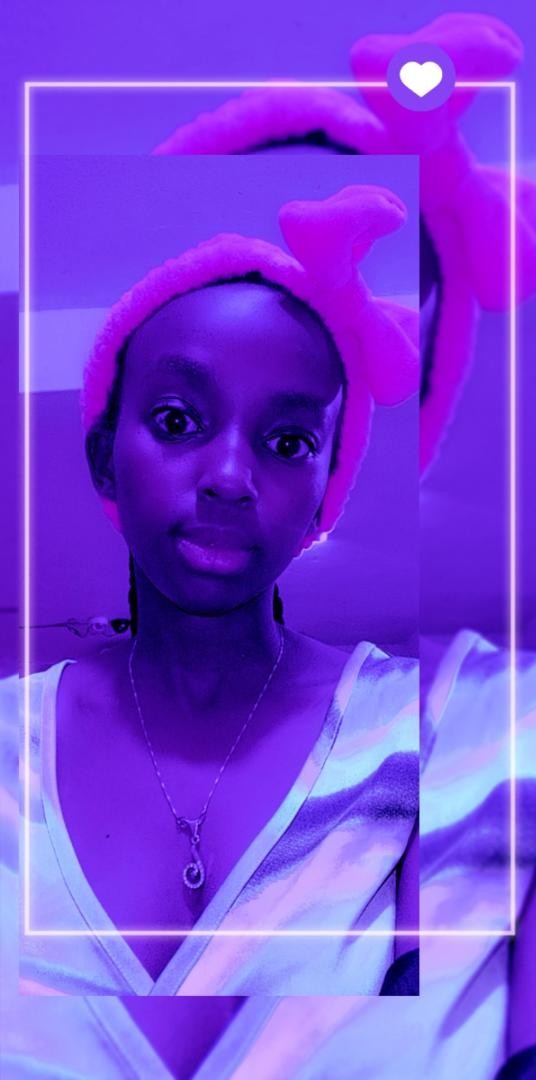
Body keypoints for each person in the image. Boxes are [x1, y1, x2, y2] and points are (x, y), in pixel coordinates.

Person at [7, 180, 419, 1078]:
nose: (231, 475)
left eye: (288, 442)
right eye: (177, 420)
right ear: (105, 460)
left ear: (324, 497)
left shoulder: (423, 733)